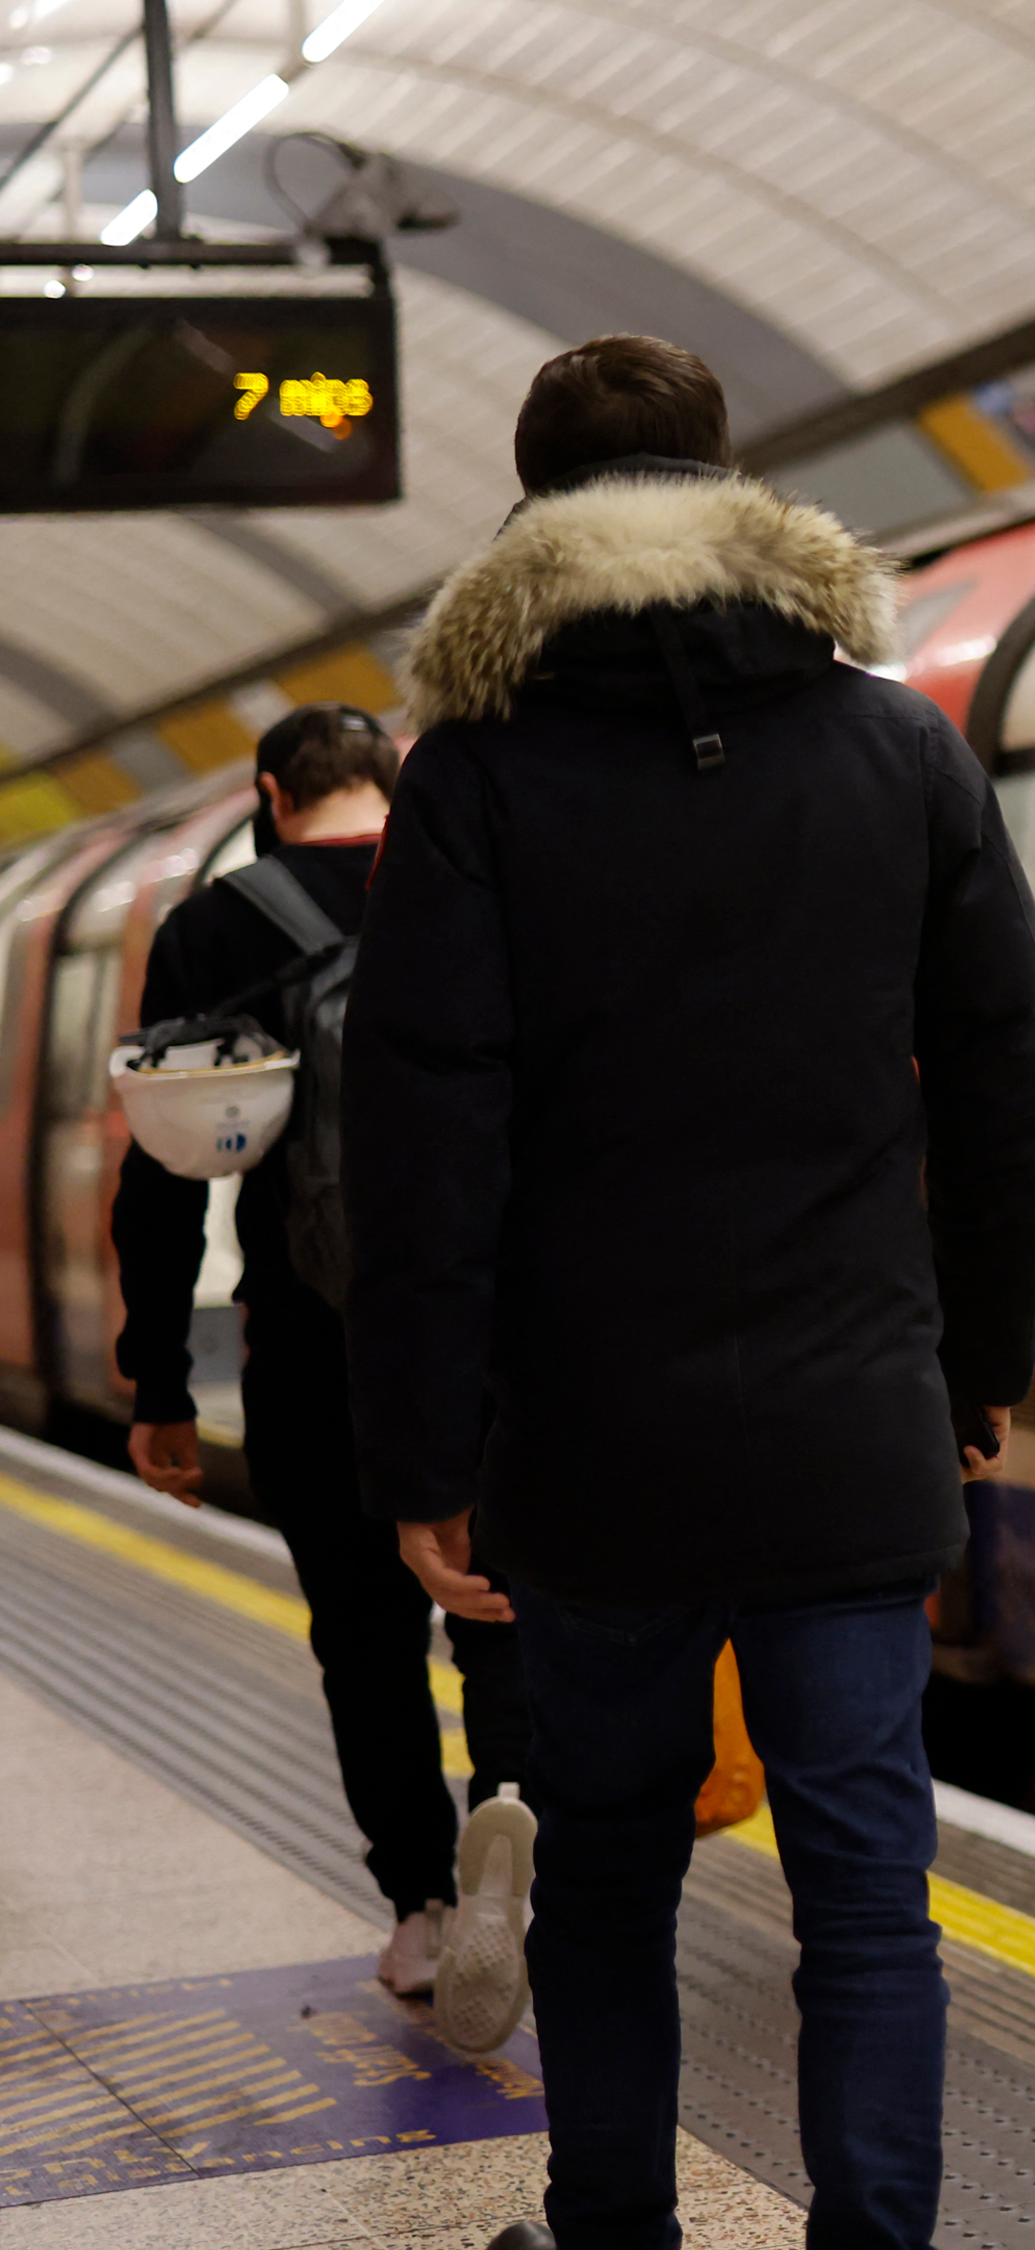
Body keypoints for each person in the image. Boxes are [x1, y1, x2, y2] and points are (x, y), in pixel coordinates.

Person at [353, 334, 1035, 2250]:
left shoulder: (477, 781)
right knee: (867, 1890)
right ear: (729, 481)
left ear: (532, 507)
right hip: (850, 1423)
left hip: (592, 1447)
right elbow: (1009, 1087)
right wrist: (978, 1363)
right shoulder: (901, 746)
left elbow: (427, 1138)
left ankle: (614, 2236)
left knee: (604, 1875)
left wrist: (425, 1446)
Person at [113, 703, 532, 2004]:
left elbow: (167, 1179)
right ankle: (510, 1816)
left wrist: (163, 1377)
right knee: (507, 1616)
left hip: (315, 1351)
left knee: (364, 1639)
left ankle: (418, 1900)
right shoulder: (486, 880)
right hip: (493, 1340)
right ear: (395, 781)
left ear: (266, 795)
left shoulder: (218, 928)